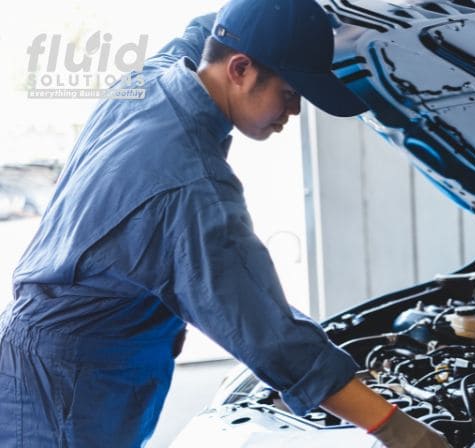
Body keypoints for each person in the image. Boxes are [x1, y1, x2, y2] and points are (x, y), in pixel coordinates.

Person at [0, 0, 449, 447]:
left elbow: (205, 29)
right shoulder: (190, 188)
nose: (292, 113)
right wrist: (395, 427)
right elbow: (271, 335)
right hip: (63, 393)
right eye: (290, 93)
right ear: (240, 70)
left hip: (50, 363)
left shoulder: (154, 80)